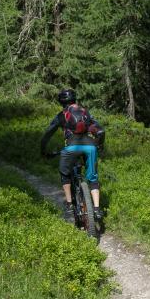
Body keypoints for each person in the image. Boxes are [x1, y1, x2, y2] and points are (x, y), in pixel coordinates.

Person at [41, 88, 105, 223]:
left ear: (62, 102)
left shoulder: (61, 115)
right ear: (74, 100)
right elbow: (100, 131)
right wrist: (99, 146)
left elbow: (47, 134)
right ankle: (97, 208)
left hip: (71, 148)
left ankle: (69, 204)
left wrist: (43, 150)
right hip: (90, 147)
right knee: (93, 177)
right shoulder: (86, 112)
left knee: (65, 173)